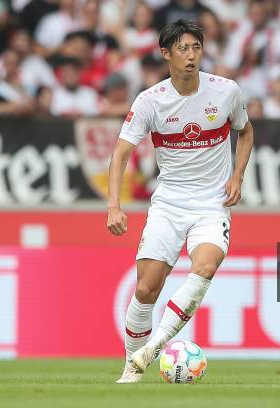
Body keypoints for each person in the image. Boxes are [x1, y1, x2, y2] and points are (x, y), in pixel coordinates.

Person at [107, 19, 253, 384]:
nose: (191, 56)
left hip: (212, 205)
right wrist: (114, 205)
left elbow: (246, 132)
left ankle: (153, 349)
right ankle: (132, 365)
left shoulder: (226, 92)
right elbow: (121, 153)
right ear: (166, 54)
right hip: (169, 204)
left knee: (204, 268)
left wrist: (237, 176)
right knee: (145, 288)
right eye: (183, 49)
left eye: (196, 48)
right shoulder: (150, 101)